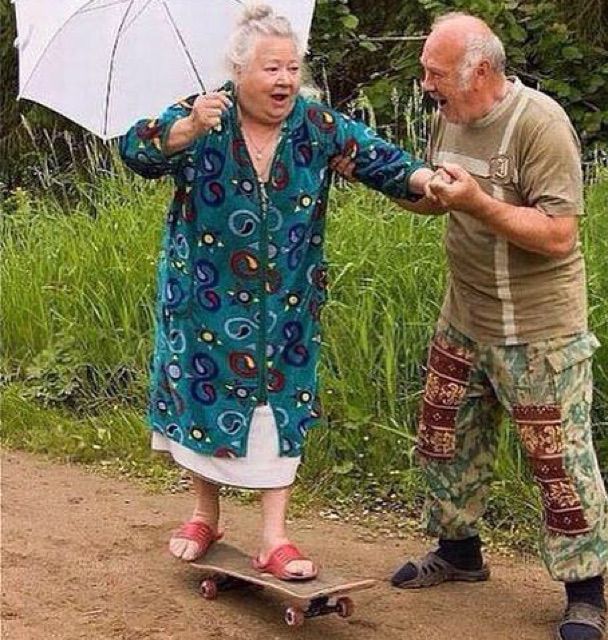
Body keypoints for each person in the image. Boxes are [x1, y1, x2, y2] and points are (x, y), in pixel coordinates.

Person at [119, 4, 433, 581]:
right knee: (202, 398)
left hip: (287, 301)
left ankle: (274, 537)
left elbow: (382, 160)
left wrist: (430, 181)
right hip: (204, 297)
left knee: (278, 407)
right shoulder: (202, 114)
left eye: (292, 67)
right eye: (271, 69)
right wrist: (187, 129)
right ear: (239, 71)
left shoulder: (316, 125)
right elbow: (135, 151)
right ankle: (204, 514)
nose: (285, 79)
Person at [331, 11, 608, 640]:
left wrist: (479, 203)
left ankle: (586, 594)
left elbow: (560, 235)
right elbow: (436, 200)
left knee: (558, 461)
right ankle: (459, 553)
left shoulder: (539, 125)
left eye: (436, 74)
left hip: (538, 330)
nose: (426, 84)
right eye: (426, 72)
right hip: (464, 317)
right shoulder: (449, 116)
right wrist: (375, 177)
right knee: (445, 438)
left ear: (479, 70)